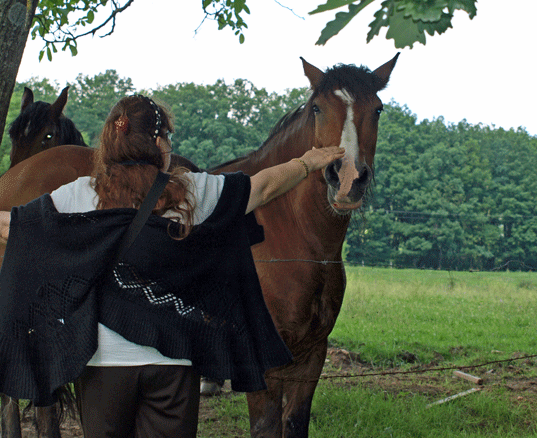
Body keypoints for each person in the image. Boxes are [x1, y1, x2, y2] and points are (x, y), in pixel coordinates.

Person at [0, 95, 344, 438]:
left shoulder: (79, 194)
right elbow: (264, 186)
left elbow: (14, 227)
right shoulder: (192, 192)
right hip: (174, 366)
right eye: (167, 136)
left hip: (102, 366)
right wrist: (308, 162)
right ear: (159, 143)